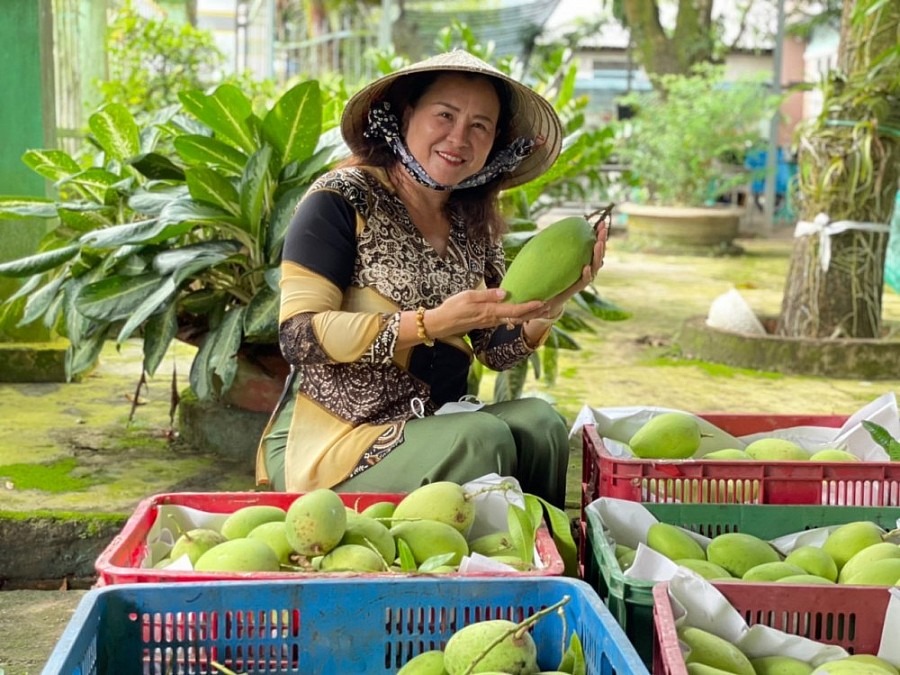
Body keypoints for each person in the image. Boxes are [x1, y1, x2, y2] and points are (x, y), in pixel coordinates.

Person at [255, 49, 609, 508]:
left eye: (479, 125)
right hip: (335, 442)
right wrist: (428, 324)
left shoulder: (471, 219)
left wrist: (551, 303)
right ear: (406, 114)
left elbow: (493, 349)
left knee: (541, 423)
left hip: (437, 421)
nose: (459, 137)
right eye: (445, 114)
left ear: (494, 142)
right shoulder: (339, 199)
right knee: (479, 438)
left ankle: (539, 563)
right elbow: (298, 336)